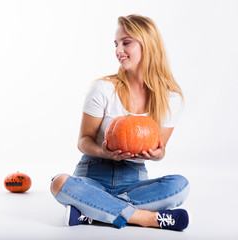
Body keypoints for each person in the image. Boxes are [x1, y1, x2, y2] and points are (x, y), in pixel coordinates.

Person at [50, 14, 190, 231]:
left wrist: (157, 154)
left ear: (148, 45)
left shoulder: (170, 98)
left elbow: (161, 149)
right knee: (59, 182)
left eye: (126, 43)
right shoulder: (103, 89)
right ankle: (146, 218)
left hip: (134, 181)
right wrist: (105, 152)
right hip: (93, 175)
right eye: (116, 44)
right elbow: (83, 141)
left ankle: (93, 211)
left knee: (180, 185)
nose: (118, 51)